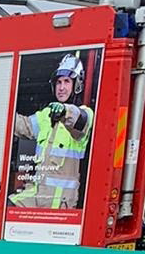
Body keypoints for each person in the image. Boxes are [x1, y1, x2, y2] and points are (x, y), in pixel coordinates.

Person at [10, 52, 96, 210]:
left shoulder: (85, 114)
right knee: (5, 209)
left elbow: (78, 119)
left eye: (67, 82)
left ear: (77, 85)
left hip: (60, 202)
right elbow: (24, 126)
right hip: (36, 194)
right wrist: (4, 112)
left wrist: (64, 111)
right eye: (58, 82)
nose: (61, 87)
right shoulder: (47, 114)